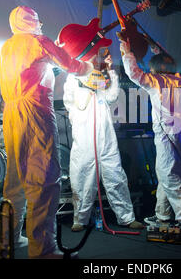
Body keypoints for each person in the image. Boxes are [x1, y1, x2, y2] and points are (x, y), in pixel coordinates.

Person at [0, 6, 93, 258]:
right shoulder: (40, 41)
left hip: (11, 114)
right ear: (34, 22)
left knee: (14, 181)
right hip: (35, 114)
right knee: (44, 180)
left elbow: (37, 68)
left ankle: (7, 240)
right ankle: (42, 250)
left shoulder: (7, 46)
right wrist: (89, 66)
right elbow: (71, 65)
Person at [119, 38, 181, 227]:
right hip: (178, 132)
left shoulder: (157, 81)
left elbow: (133, 73)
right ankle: (162, 215)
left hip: (166, 133)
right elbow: (166, 59)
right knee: (166, 173)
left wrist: (126, 50)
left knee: (169, 175)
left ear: (156, 68)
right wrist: (152, 43)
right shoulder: (178, 79)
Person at [63, 53, 144, 232]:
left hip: (106, 137)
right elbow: (68, 102)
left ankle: (126, 218)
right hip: (84, 137)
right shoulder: (73, 76)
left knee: (115, 176)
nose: (96, 59)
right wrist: (77, 117)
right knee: (82, 177)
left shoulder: (103, 76)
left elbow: (112, 96)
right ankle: (80, 219)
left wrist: (111, 71)